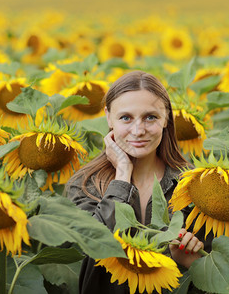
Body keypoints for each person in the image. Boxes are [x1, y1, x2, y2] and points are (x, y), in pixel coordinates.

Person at [65, 70, 206, 294]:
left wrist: (193, 263)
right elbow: (90, 245)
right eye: (126, 118)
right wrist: (122, 173)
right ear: (108, 117)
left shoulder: (194, 186)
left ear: (167, 117)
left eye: (150, 117)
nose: (138, 131)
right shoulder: (85, 185)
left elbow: (219, 283)